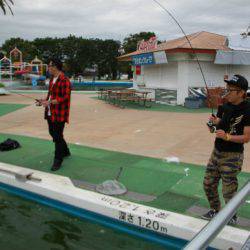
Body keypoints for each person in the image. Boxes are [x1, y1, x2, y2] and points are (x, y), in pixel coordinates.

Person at [202, 74, 250, 224]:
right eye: (226, 89)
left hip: (233, 155)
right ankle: (216, 210)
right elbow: (216, 129)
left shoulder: (248, 110)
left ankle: (231, 216)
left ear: (241, 92)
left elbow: (246, 138)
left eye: (230, 90)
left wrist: (227, 137)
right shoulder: (224, 106)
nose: (227, 92)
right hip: (216, 151)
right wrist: (213, 124)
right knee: (208, 184)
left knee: (228, 190)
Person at [38, 58, 71, 171]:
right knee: (53, 133)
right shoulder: (52, 78)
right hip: (50, 111)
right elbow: (51, 95)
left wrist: (50, 102)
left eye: (49, 66)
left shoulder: (64, 80)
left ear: (55, 66)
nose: (48, 68)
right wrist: (43, 101)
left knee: (57, 137)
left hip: (59, 113)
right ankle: (65, 151)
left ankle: (58, 160)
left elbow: (65, 97)